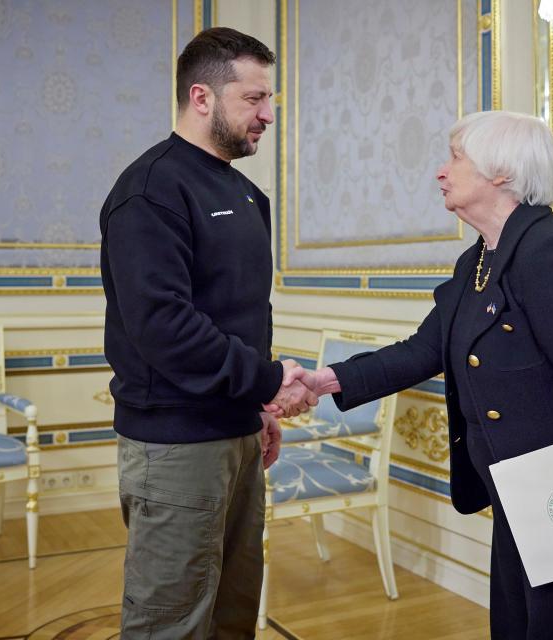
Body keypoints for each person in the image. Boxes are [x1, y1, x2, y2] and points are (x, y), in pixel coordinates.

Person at [276, 111, 553, 639]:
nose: (441, 171)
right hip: (520, 499)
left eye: (455, 157)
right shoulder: (479, 260)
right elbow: (422, 350)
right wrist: (325, 381)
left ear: (500, 173)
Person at [100, 27, 315, 639]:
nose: (267, 115)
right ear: (202, 97)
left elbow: (243, 313)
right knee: (169, 624)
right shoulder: (149, 190)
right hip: (175, 446)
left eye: (268, 99)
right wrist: (271, 380)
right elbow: (163, 327)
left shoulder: (249, 195)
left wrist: (259, 404)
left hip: (240, 434)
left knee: (232, 615)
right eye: (253, 99)